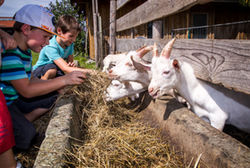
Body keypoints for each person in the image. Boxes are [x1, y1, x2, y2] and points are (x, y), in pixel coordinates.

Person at [0, 4, 87, 151]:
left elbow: (31, 79)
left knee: (53, 97)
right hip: (7, 106)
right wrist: (64, 80)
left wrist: (56, 85)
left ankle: (22, 121)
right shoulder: (11, 55)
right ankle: (19, 128)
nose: (47, 42)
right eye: (45, 37)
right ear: (26, 29)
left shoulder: (25, 52)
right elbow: (26, 90)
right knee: (27, 135)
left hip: (16, 99)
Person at [32, 15, 92, 80]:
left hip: (57, 69)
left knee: (64, 75)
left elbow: (69, 65)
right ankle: (42, 84)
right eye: (71, 36)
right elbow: (65, 68)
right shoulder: (51, 46)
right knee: (52, 69)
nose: (74, 40)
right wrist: (93, 72)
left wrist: (71, 66)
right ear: (59, 31)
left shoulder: (70, 44)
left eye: (76, 37)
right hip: (39, 71)